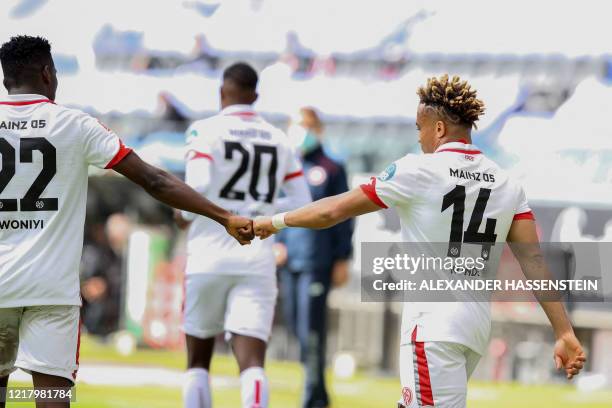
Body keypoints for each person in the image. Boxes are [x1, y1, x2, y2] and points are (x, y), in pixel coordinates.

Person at [254, 75, 587, 407]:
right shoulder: (506, 183)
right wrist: (564, 331)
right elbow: (534, 262)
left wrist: (273, 222)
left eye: (420, 128)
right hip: (473, 327)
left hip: (433, 326)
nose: (419, 138)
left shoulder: (418, 171)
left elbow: (333, 211)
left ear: (439, 129)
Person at [0, 35, 253, 408]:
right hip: (51, 291)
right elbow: (155, 180)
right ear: (47, 73)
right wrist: (224, 216)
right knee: (51, 397)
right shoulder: (77, 125)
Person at [174, 63, 311, 408]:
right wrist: (261, 211)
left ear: (222, 92)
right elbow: (302, 202)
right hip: (257, 257)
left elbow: (199, 184)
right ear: (257, 96)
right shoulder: (279, 138)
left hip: (208, 253)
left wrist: (183, 213)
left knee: (198, 362)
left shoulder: (205, 130)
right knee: (252, 363)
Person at [276, 107, 353, 408]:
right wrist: (278, 242)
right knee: (297, 328)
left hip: (317, 262)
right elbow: (281, 209)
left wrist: (343, 258)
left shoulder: (332, 168)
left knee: (312, 331)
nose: (300, 131)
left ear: (317, 129)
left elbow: (345, 217)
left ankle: (313, 398)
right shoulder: (288, 168)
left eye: (305, 125)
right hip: (289, 260)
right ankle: (318, 394)